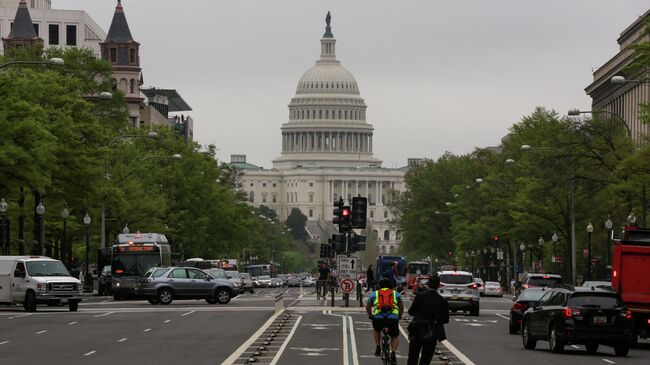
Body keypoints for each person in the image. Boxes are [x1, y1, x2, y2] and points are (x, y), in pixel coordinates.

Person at [406, 275, 449, 365]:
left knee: (413, 356)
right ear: (438, 285)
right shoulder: (442, 300)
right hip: (432, 331)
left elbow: (411, 312)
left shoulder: (420, 296)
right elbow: (445, 319)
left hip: (417, 329)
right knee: (426, 358)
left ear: (428, 284)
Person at [366, 278, 404, 365]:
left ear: (380, 286)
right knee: (395, 335)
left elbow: (368, 307)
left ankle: (378, 346)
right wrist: (399, 315)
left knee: (376, 330)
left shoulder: (374, 294)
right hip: (392, 319)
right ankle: (393, 353)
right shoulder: (396, 294)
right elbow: (401, 307)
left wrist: (370, 315)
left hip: (378, 318)